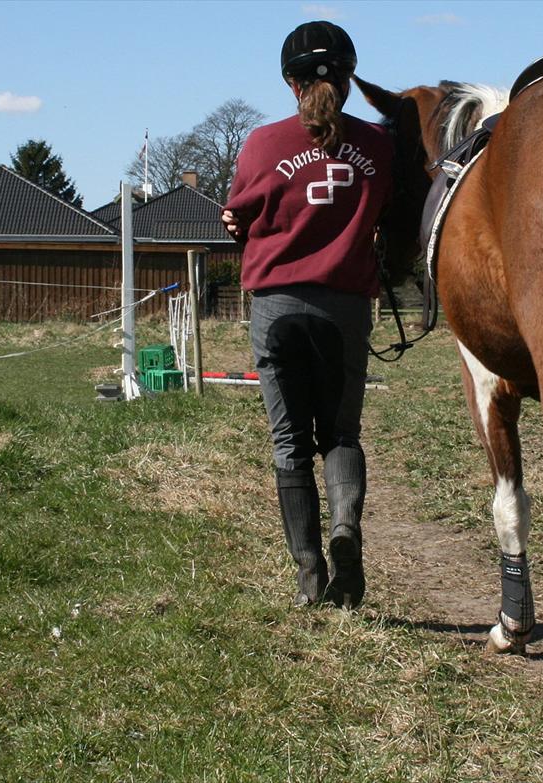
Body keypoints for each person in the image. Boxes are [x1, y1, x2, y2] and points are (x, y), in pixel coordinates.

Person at [220, 21, 392, 609]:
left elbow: (239, 214)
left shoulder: (263, 144)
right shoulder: (377, 145)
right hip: (345, 306)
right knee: (341, 434)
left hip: (277, 305)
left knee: (289, 442)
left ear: (291, 83)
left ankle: (309, 573)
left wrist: (237, 222)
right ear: (347, 78)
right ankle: (346, 528)